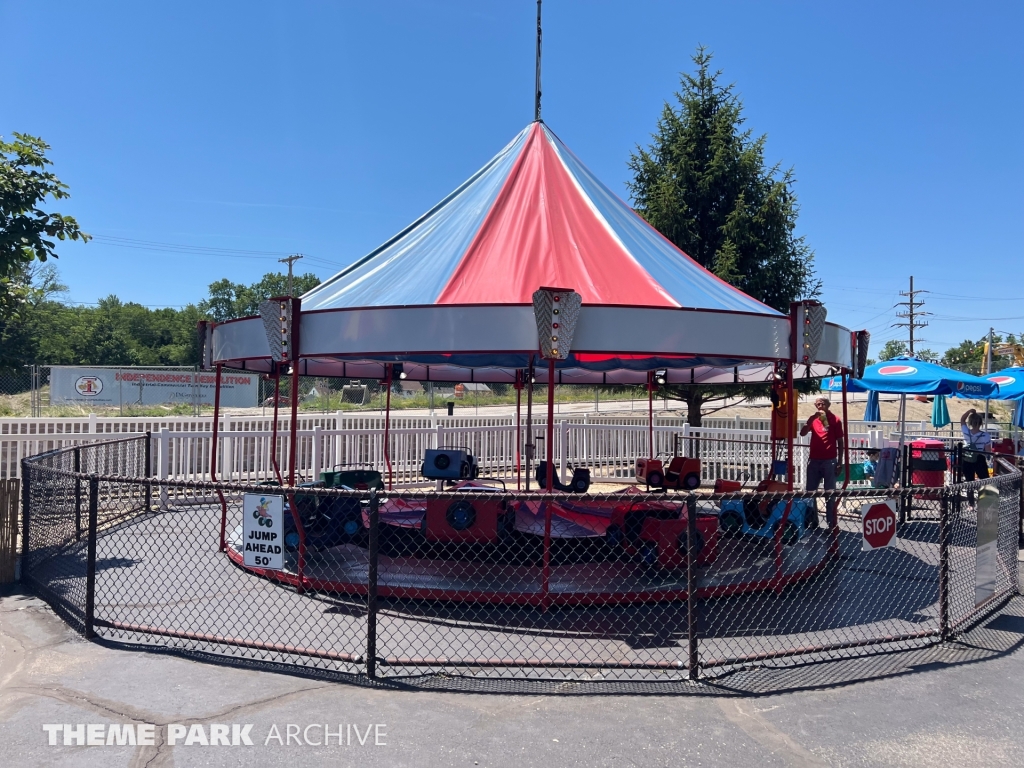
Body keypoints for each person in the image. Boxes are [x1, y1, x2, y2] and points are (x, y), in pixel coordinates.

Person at [800, 396, 845, 526]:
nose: (820, 406)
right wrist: (812, 419)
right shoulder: (813, 419)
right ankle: (813, 522)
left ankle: (831, 523)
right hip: (814, 460)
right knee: (810, 492)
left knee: (830, 493)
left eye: (822, 404)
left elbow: (840, 441)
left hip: (829, 460)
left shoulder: (835, 420)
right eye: (817, 404)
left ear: (828, 405)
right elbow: (802, 433)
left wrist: (839, 462)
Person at [960, 408, 992, 500]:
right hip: (979, 459)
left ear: (970, 423)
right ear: (981, 423)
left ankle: (971, 503)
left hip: (967, 459)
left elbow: (962, 420)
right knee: (984, 480)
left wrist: (969, 411)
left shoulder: (966, 432)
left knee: (970, 481)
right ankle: (985, 501)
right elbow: (988, 451)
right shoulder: (985, 435)